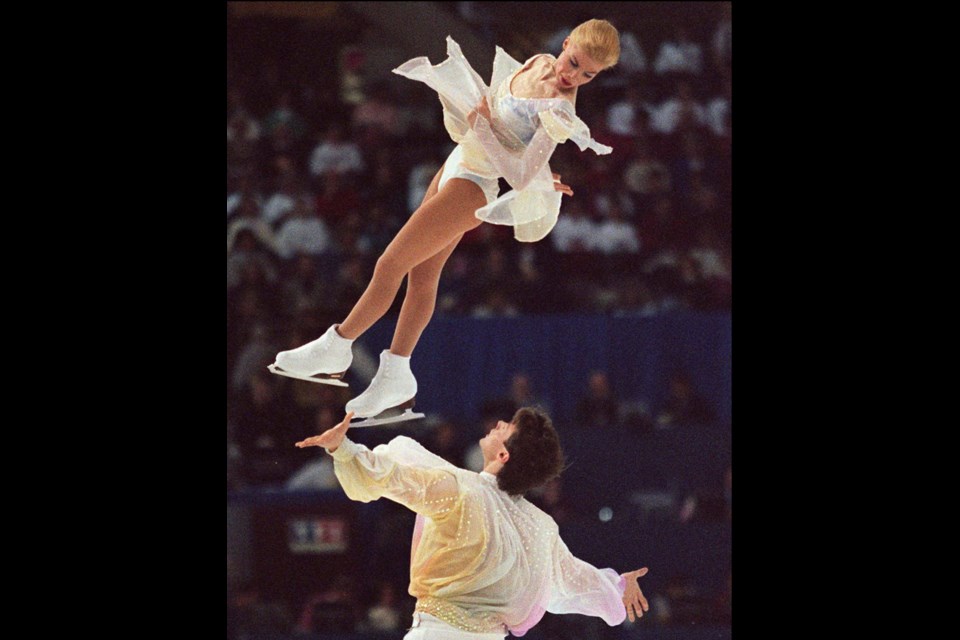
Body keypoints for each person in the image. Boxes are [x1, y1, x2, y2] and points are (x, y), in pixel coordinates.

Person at [274, 20, 623, 421]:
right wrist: (504, 143)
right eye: (575, 62)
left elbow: (519, 175)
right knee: (422, 275)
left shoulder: (561, 108)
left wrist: (489, 135)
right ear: (564, 44)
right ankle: (396, 373)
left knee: (390, 263)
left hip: (475, 185)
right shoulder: (540, 60)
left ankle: (337, 343)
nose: (573, 75)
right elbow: (512, 129)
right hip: (459, 160)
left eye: (587, 75)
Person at [295, 407, 650, 638]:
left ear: (503, 454)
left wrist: (343, 450)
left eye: (507, 426)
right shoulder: (539, 527)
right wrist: (617, 588)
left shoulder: (462, 490)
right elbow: (571, 578)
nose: (498, 423)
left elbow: (394, 478)